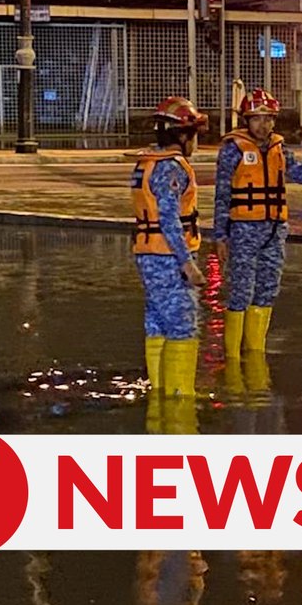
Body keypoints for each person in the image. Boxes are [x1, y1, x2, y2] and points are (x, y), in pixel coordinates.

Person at [213, 88, 302, 393]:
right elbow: (222, 195)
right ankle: (232, 360)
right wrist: (220, 235)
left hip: (274, 230)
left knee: (268, 289)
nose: (263, 125)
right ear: (246, 120)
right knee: (241, 291)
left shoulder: (280, 149)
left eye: (268, 119)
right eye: (257, 119)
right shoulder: (232, 150)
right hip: (243, 230)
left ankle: (255, 354)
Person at [131, 96, 207, 399]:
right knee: (182, 327)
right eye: (194, 135)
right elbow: (169, 219)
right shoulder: (171, 168)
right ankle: (180, 401)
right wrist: (187, 263)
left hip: (148, 254)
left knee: (156, 324)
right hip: (168, 258)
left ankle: (159, 398)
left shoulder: (147, 163)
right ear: (184, 136)